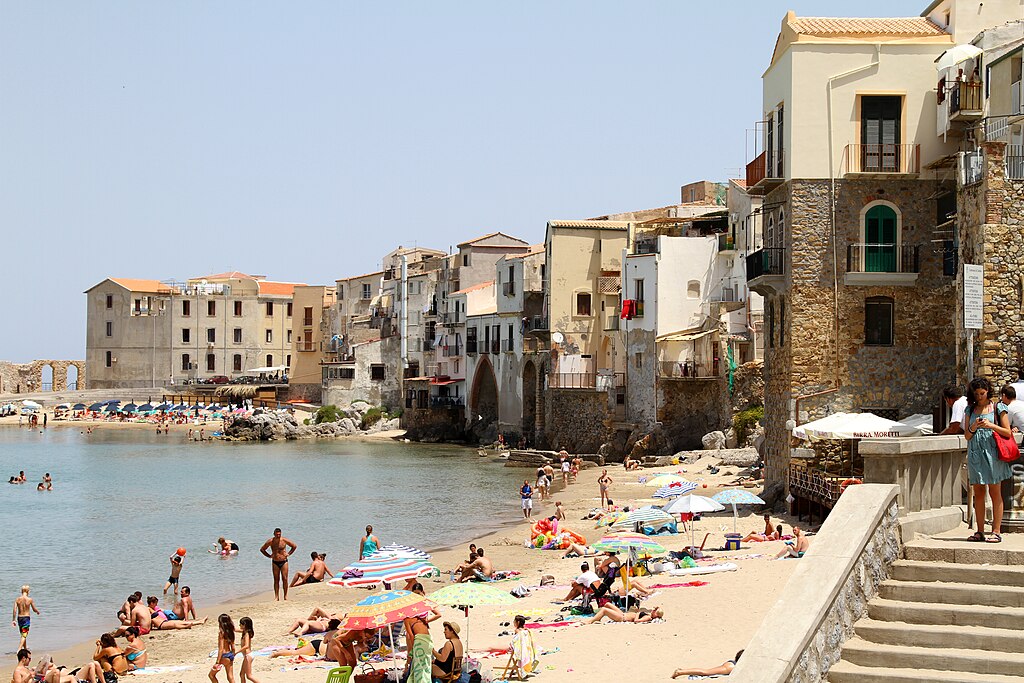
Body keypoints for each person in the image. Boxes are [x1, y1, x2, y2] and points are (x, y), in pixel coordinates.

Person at [964, 377, 1014, 543]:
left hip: (993, 454)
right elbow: (967, 436)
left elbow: (1007, 432)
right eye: (976, 394)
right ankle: (979, 531)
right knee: (978, 492)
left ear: (988, 392)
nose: (979, 397)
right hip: (975, 454)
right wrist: (974, 426)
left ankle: (996, 530)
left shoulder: (998, 408)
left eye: (982, 393)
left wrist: (990, 425)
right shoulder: (969, 410)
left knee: (995, 491)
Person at [260, 528, 297, 600]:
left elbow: (294, 546)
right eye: (277, 534)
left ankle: (285, 596)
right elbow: (262, 549)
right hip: (275, 562)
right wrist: (269, 556)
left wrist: (288, 554)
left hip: (284, 561)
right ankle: (276, 597)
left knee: (285, 579)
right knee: (276, 579)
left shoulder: (284, 540)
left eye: (279, 534)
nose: (278, 535)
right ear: (274, 534)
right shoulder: (271, 541)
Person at [402, 613, 433, 683]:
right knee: (426, 666)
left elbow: (410, 636)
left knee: (419, 667)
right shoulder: (419, 619)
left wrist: (413, 649)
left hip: (420, 642)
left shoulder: (407, 620)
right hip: (428, 641)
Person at [672, 650, 744, 679]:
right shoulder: (731, 667)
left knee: (706, 672)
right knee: (706, 672)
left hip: (733, 663)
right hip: (731, 666)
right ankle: (680, 672)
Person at [209, 614, 236, 683]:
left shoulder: (222, 633)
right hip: (230, 655)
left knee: (211, 675)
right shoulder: (231, 632)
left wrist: (217, 662)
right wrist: (232, 655)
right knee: (230, 677)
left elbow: (221, 649)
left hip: (224, 656)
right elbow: (233, 647)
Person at [13, 585, 40, 650]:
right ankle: (19, 649)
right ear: (28, 591)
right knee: (24, 635)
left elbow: (14, 610)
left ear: (21, 591)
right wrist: (37, 611)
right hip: (26, 618)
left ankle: (25, 648)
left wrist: (13, 620)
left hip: (20, 618)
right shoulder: (29, 599)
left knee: (23, 634)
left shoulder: (17, 599)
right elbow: (34, 609)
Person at [586, 604, 663, 624]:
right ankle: (598, 617)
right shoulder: (649, 615)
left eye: (654, 611)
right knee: (607, 604)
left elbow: (636, 621)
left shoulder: (648, 618)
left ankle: (590, 621)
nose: (653, 611)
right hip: (623, 614)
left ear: (656, 615)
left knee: (604, 610)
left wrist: (637, 614)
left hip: (622, 618)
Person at [238, 617, 260, 683]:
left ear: (244, 625)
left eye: (241, 624)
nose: (239, 625)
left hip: (248, 656)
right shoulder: (244, 632)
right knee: (241, 674)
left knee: (249, 676)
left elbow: (246, 646)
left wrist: (237, 652)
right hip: (247, 656)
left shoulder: (247, 634)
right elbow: (234, 629)